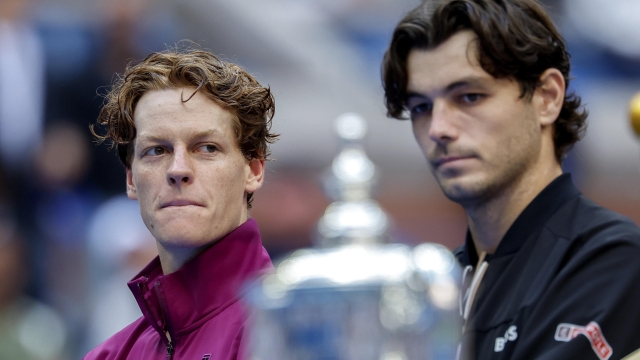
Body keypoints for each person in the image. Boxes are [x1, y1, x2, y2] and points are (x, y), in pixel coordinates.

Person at [381, 0, 640, 359]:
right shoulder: (437, 287)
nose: (439, 129)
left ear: (547, 97)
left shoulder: (614, 257)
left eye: (470, 97)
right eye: (422, 107)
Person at [83, 47, 278, 359]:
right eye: (157, 150)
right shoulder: (108, 356)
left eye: (207, 148)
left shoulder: (290, 335)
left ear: (253, 170)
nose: (178, 170)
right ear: (131, 180)